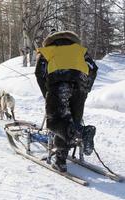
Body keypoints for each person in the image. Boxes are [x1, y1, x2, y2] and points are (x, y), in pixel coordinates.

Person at [35, 30, 98, 172]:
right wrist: (85, 88)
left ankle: (82, 133)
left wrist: (47, 93)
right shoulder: (80, 50)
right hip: (80, 87)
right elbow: (93, 68)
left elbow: (39, 73)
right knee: (71, 123)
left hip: (59, 85)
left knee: (56, 122)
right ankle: (60, 160)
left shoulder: (47, 50)